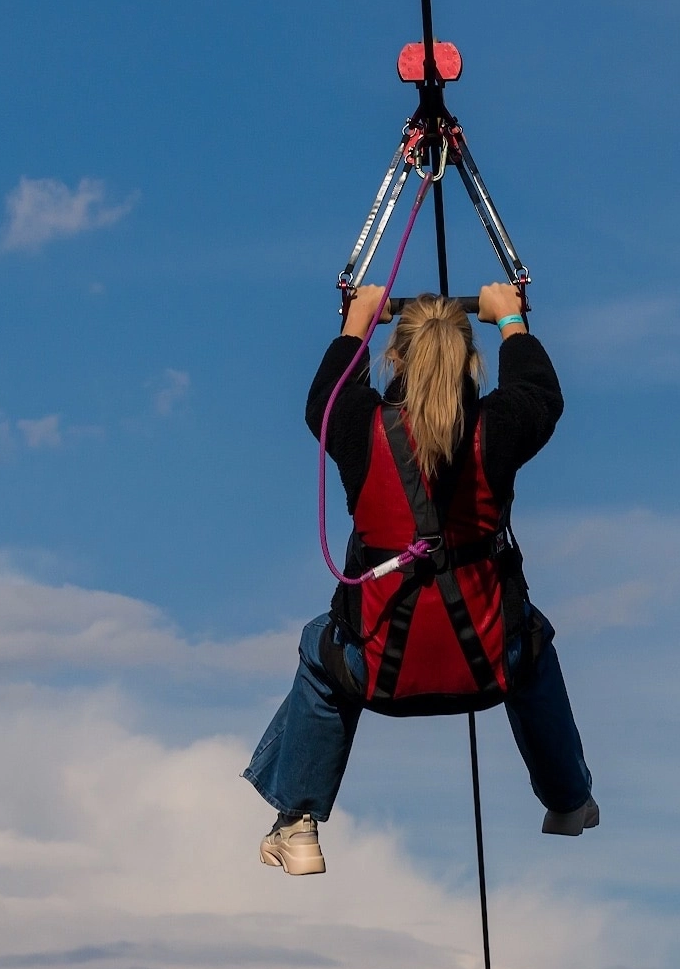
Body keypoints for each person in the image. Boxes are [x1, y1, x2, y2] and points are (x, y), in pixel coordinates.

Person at [245, 283, 598, 875]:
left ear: (396, 360)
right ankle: (567, 800)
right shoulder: (500, 428)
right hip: (488, 666)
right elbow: (541, 394)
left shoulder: (359, 428)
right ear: (471, 363)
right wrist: (509, 318)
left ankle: (299, 821)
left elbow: (322, 404)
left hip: (380, 673)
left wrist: (356, 324)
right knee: (531, 644)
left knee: (321, 648)